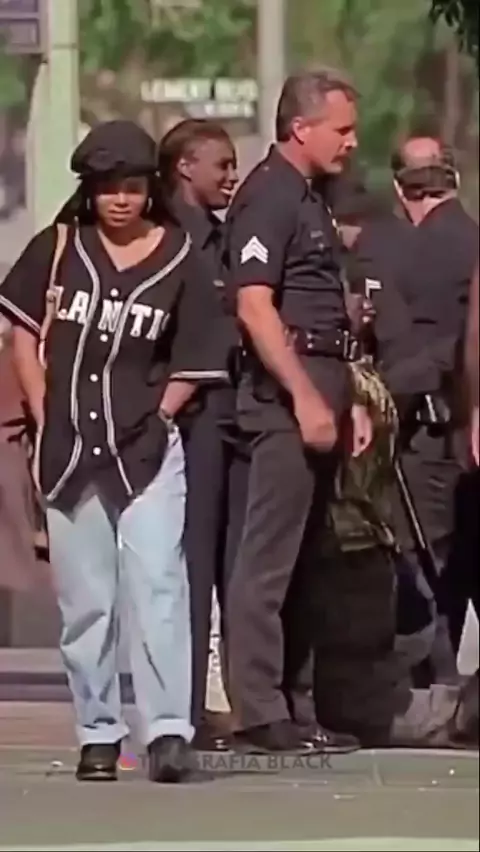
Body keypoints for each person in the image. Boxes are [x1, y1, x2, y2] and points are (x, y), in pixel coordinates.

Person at [0, 120, 229, 783]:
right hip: (70, 450)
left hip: (147, 448)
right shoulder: (59, 247)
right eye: (107, 188)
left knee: (159, 587)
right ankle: (98, 732)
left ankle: (167, 731)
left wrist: (162, 413)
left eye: (131, 187)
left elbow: (197, 354)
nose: (120, 200)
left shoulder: (182, 257)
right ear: (90, 191)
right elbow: (22, 335)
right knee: (87, 602)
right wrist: (45, 413)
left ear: (151, 188)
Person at [223, 67, 366, 754]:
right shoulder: (269, 196)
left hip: (323, 382)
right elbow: (255, 307)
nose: (353, 142)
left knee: (308, 559)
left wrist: (348, 398)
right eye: (342, 129)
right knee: (269, 557)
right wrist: (307, 396)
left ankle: (295, 704)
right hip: (286, 397)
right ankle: (259, 710)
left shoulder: (309, 197)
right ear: (300, 128)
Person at [157, 118, 244, 749]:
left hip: (225, 410)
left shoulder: (219, 233)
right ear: (186, 166)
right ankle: (181, 710)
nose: (231, 176)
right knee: (189, 566)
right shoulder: (171, 238)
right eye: (222, 165)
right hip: (191, 415)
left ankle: (201, 704)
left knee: (217, 564)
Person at [390, 136, 479, 684]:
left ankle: (438, 690)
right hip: (463, 432)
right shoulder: (474, 239)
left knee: (429, 568)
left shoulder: (404, 254)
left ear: (401, 190)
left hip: (429, 432)